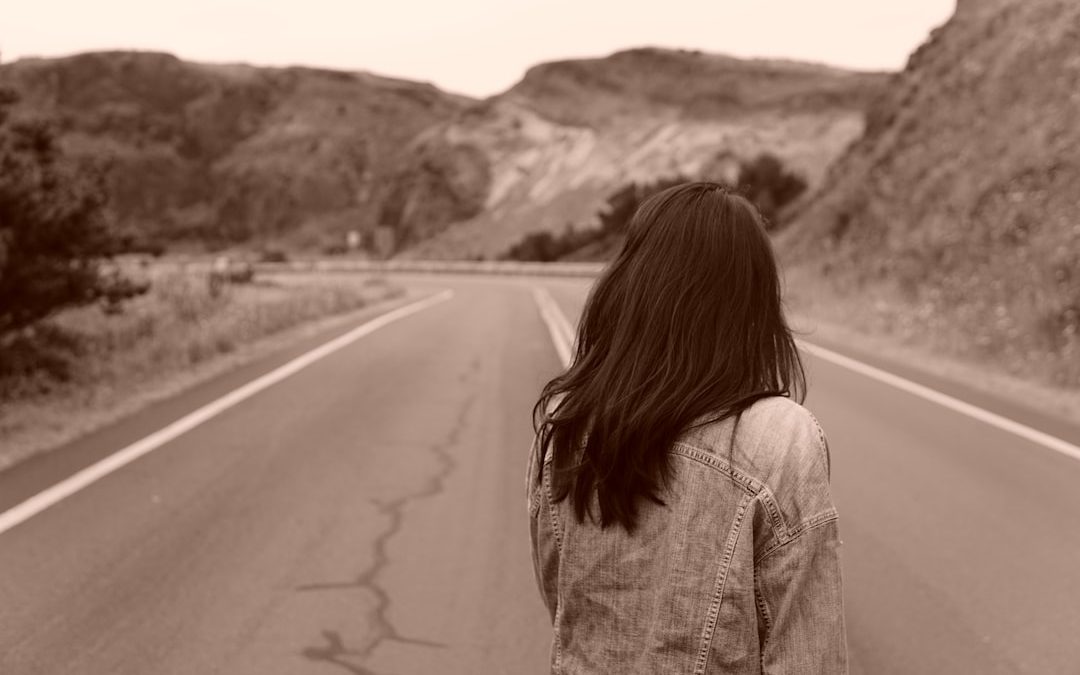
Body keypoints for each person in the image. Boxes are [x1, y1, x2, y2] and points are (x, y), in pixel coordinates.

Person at [527, 182, 847, 674]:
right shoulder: (780, 438)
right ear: (753, 303)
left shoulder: (570, 423)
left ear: (632, 288)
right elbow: (809, 656)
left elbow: (564, 604)